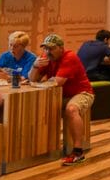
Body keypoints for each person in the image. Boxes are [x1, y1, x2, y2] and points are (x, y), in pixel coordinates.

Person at [29, 34, 94, 165]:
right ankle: (40, 151)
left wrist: (41, 82)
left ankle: (78, 152)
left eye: (51, 49)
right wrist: (35, 66)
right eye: (45, 48)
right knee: (38, 107)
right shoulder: (45, 58)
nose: (47, 52)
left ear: (61, 48)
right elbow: (32, 78)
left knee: (71, 109)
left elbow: (57, 82)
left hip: (82, 93)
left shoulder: (69, 57)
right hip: (60, 95)